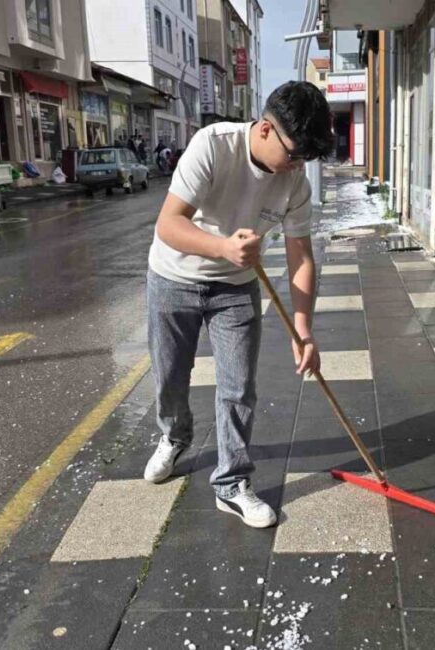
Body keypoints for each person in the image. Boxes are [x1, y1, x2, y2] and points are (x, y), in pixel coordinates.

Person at [142, 82, 333, 528]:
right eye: (293, 154)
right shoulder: (212, 146)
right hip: (174, 278)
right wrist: (223, 248)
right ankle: (173, 437)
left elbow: (300, 255)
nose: (296, 166)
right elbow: (169, 224)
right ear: (266, 130)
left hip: (236, 289)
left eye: (304, 158)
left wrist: (302, 328)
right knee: (170, 375)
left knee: (238, 386)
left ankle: (231, 483)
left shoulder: (294, 182)